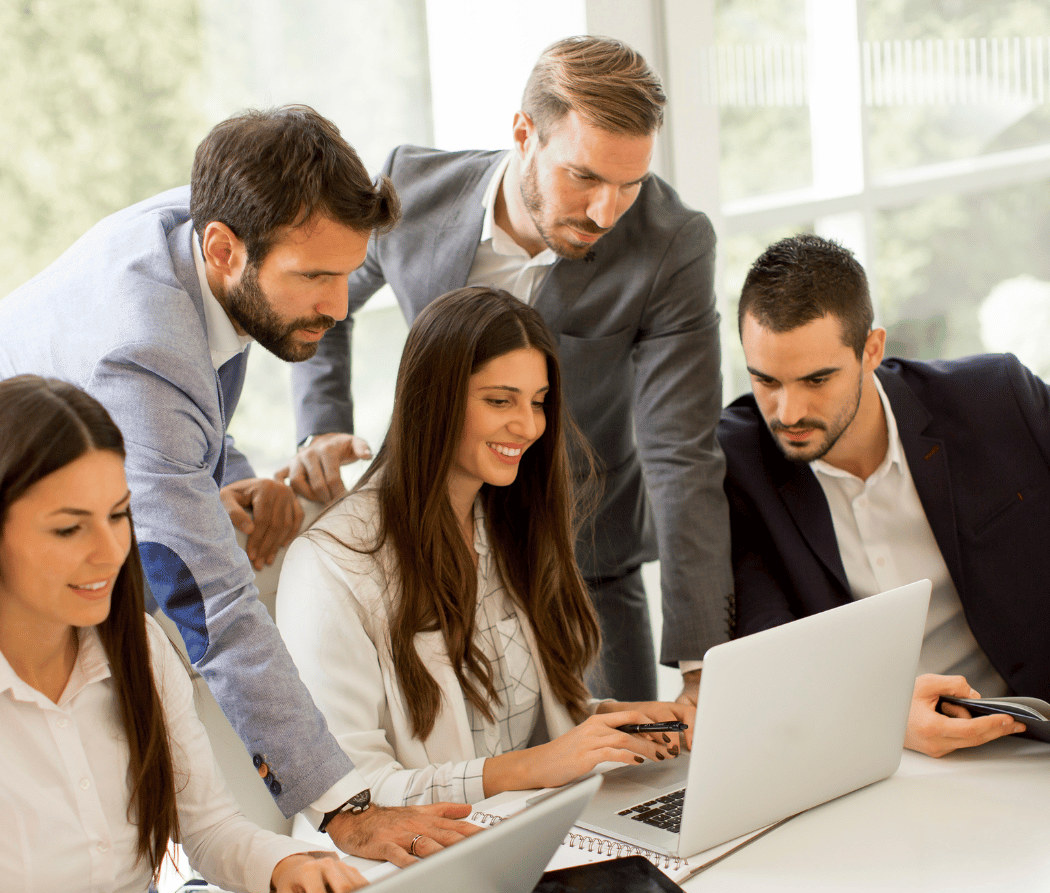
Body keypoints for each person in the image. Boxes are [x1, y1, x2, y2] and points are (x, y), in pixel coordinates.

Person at [0, 106, 478, 859]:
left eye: (348, 273)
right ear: (224, 248)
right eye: (315, 277)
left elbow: (193, 408)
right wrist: (342, 808)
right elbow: (211, 606)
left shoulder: (212, 227)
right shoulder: (142, 354)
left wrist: (234, 477)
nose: (339, 306)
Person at [283, 36, 733, 709]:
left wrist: (703, 662)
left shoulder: (672, 242)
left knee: (636, 780)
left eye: (629, 184)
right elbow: (327, 295)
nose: (607, 212)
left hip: (584, 566)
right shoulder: (414, 190)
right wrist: (321, 426)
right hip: (429, 550)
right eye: (584, 177)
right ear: (525, 133)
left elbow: (682, 452)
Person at [0, 376, 375, 893]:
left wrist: (288, 865)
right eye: (69, 529)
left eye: (120, 516)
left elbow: (209, 829)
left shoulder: (138, 651)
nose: (109, 552)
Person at [276, 288, 696, 812]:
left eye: (538, 402)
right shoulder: (331, 562)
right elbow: (347, 793)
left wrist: (600, 727)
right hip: (418, 865)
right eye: (500, 401)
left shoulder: (507, 524)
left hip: (536, 827)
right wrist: (536, 766)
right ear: (434, 399)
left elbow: (504, 729)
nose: (528, 426)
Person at [718, 233, 1048, 757]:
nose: (787, 411)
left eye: (816, 379)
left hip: (1034, 742)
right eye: (766, 381)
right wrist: (885, 719)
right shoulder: (741, 463)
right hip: (876, 760)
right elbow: (768, 659)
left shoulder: (995, 399)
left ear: (872, 349)